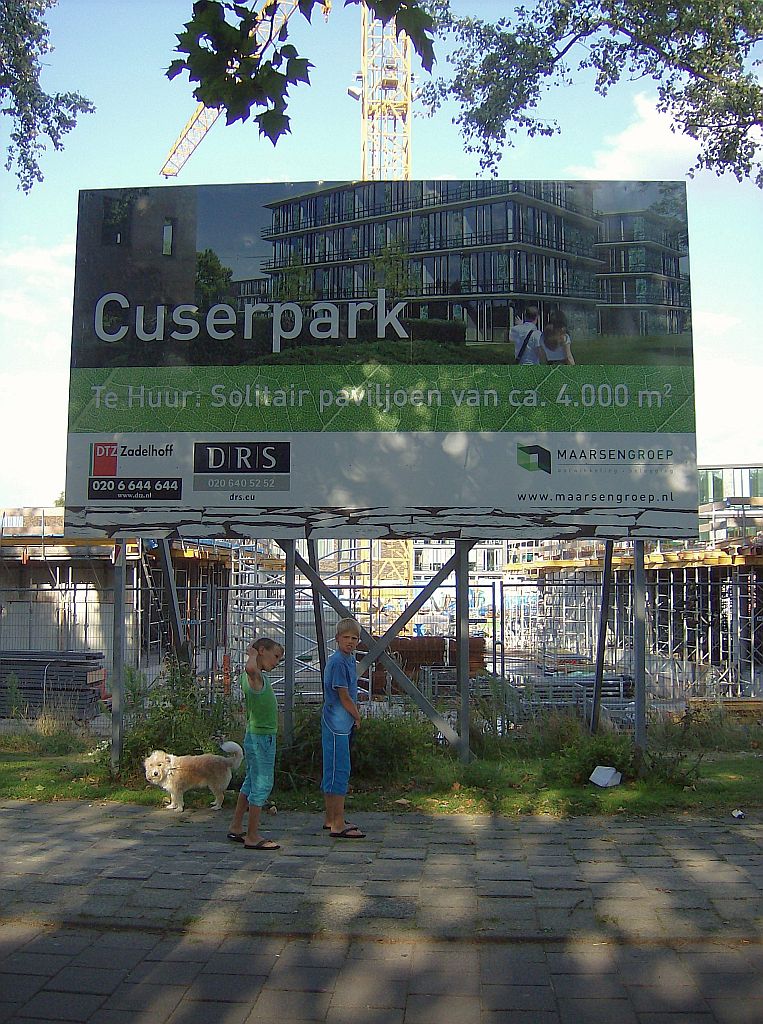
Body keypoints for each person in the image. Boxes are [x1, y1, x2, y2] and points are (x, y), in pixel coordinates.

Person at [227, 636, 284, 850]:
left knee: (250, 782)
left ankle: (236, 826)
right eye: (275, 656)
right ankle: (252, 835)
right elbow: (251, 669)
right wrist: (251, 654)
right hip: (261, 739)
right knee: (262, 783)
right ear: (262, 650)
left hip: (257, 736)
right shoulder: (254, 676)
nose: (277, 662)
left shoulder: (260, 678)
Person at [321, 617, 365, 839]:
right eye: (346, 637)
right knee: (339, 770)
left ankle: (330, 817)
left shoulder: (348, 659)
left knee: (332, 768)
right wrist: (357, 715)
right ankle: (338, 823)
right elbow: (344, 695)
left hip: (338, 721)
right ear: (337, 638)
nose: (350, 642)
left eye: (354, 638)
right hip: (338, 721)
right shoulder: (338, 662)